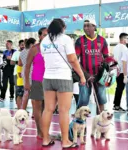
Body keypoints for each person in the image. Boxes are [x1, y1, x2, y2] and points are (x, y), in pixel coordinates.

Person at [40, 18, 85, 148]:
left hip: (48, 77)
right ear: (63, 28)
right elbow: (72, 59)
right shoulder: (65, 39)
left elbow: (45, 58)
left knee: (48, 109)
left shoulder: (45, 40)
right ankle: (65, 141)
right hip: (63, 77)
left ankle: (45, 139)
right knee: (64, 111)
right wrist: (81, 75)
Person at [76, 19, 109, 114]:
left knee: (101, 101)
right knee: (83, 102)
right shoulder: (80, 41)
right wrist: (86, 75)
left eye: (88, 25)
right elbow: (76, 60)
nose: (85, 28)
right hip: (85, 77)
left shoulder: (102, 40)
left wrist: (108, 70)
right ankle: (80, 127)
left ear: (94, 27)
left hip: (100, 77)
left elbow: (106, 58)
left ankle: (100, 125)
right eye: (84, 26)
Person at [23, 29, 46, 139]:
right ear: (40, 36)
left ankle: (45, 130)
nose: (47, 37)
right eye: (45, 35)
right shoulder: (34, 49)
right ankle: (40, 131)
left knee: (48, 108)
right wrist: (27, 82)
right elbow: (27, 66)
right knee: (37, 107)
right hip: (37, 80)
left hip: (50, 81)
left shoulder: (53, 48)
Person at [112, 33, 128, 112]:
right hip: (122, 71)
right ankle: (117, 105)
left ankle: (116, 104)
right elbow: (124, 60)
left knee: (118, 88)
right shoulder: (124, 48)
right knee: (120, 88)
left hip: (117, 70)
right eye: (127, 39)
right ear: (124, 39)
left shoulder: (115, 47)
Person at [19, 37, 37, 110]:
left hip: (24, 72)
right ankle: (34, 112)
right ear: (31, 44)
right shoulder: (33, 51)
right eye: (35, 44)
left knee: (26, 92)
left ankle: (23, 110)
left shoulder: (22, 52)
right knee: (34, 94)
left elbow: (20, 63)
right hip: (32, 72)